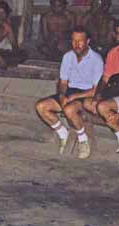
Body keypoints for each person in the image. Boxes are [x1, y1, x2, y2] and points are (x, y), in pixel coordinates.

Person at [35, 27, 103, 159]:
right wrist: (61, 95)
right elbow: (63, 82)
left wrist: (73, 97)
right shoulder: (68, 56)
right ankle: (62, 133)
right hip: (70, 91)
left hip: (86, 93)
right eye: (74, 41)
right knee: (41, 106)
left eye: (80, 41)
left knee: (69, 110)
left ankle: (83, 140)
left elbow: (95, 90)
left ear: (88, 41)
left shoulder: (96, 59)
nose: (77, 44)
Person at [83, 21, 119, 154]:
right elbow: (105, 78)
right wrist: (97, 95)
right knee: (88, 103)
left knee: (103, 108)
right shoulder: (113, 53)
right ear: (115, 36)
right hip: (115, 92)